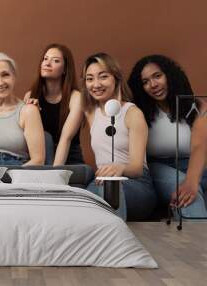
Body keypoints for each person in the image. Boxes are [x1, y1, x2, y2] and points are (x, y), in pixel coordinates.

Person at [128, 55, 207, 218]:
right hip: (158, 167)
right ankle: (198, 242)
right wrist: (190, 185)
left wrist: (191, 181)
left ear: (170, 75)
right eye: (145, 82)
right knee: (188, 196)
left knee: (191, 187)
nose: (153, 85)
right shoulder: (137, 112)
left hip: (195, 163)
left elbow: (200, 145)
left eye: (157, 76)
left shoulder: (198, 106)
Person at [82, 53, 157, 221]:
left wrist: (120, 168)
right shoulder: (90, 112)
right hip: (101, 182)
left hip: (136, 185)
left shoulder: (132, 113)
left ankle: (115, 242)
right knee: (84, 199)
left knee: (109, 192)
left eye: (103, 77)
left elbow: (137, 168)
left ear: (116, 78)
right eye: (89, 79)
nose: (96, 84)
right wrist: (32, 100)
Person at [0, 52, 45, 166]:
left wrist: (10, 177)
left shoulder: (28, 111)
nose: (0, 82)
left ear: (14, 76)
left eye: (5, 75)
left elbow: (38, 160)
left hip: (19, 174)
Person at [24, 43, 83, 165]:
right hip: (42, 159)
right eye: (45, 59)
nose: (47, 63)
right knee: (45, 137)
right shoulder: (31, 95)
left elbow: (65, 139)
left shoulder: (76, 97)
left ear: (65, 69)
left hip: (69, 160)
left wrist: (54, 174)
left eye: (55, 61)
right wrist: (32, 112)